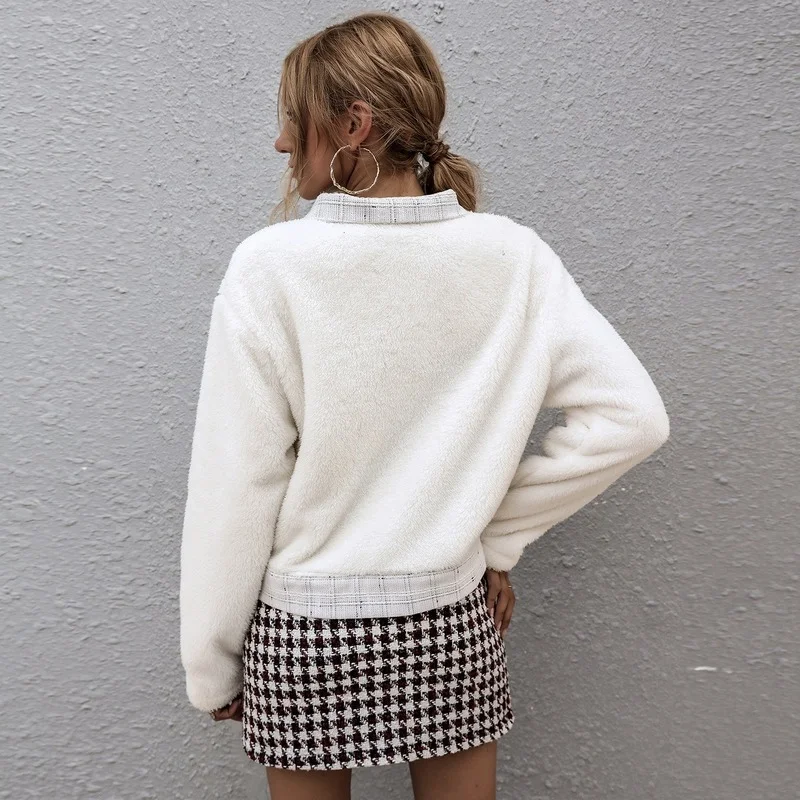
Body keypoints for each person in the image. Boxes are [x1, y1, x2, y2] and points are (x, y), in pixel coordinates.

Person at [178, 11, 670, 800]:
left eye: (292, 118)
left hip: (305, 631)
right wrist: (495, 539)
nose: (279, 142)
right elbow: (633, 419)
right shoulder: (513, 258)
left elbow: (236, 484)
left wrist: (211, 663)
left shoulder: (270, 267)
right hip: (448, 619)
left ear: (353, 124)